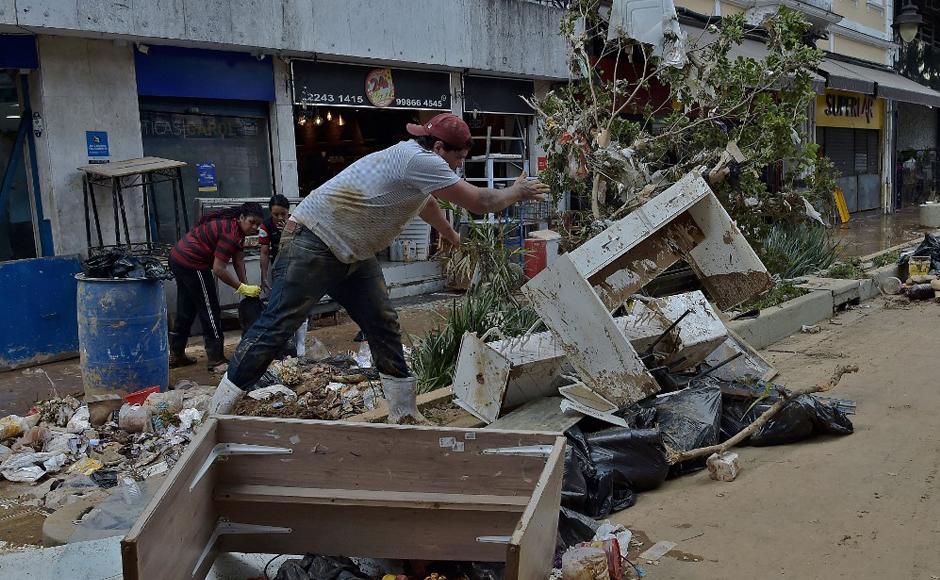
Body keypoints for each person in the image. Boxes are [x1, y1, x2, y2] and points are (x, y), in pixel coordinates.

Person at [209, 113, 549, 422]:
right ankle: (217, 412)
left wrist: (449, 235)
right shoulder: (421, 159)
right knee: (277, 325)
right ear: (440, 147)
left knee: (383, 323)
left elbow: (427, 203)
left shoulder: (419, 163)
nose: (459, 166)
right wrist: (516, 192)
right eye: (459, 158)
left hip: (353, 252)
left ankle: (403, 413)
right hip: (314, 240)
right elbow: (480, 202)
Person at [169, 201, 264, 372]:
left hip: (178, 257)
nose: (255, 227)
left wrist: (246, 285)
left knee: (186, 308)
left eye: (258, 224)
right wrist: (241, 288)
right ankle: (216, 360)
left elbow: (239, 259)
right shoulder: (231, 233)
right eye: (252, 222)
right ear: (241, 217)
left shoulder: (237, 230)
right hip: (192, 262)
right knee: (210, 309)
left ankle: (176, 354)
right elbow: (218, 269)